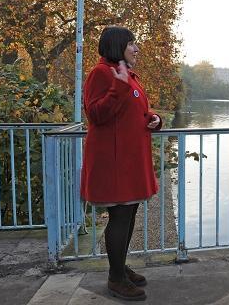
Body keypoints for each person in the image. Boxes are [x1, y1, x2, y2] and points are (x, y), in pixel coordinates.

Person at [81, 26, 162, 301]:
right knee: (119, 217)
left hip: (130, 158)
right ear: (117, 47)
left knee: (128, 216)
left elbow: (134, 109)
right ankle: (116, 278)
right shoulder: (101, 73)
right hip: (114, 161)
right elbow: (95, 114)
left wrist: (153, 118)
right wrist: (119, 85)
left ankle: (120, 267)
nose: (137, 49)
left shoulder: (126, 75)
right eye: (132, 44)